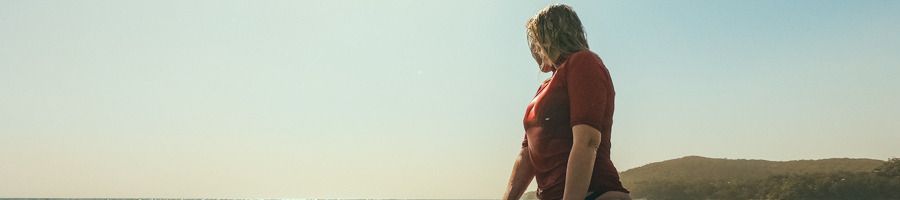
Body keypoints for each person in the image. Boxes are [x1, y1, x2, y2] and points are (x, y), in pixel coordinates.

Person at [502, 4, 631, 200]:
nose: (535, 50)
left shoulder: (583, 62)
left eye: (536, 42)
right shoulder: (545, 87)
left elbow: (587, 141)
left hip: (594, 194)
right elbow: (527, 155)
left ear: (550, 37)